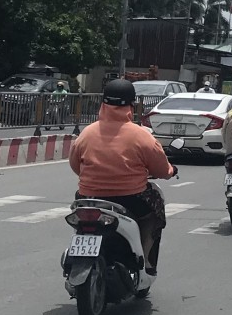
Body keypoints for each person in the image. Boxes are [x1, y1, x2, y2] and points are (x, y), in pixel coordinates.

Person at [68, 77, 177, 277]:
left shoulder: (86, 134)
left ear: (103, 104)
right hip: (130, 200)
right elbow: (162, 170)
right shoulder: (141, 136)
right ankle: (147, 262)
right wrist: (171, 171)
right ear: (131, 106)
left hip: (88, 198)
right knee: (154, 211)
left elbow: (76, 166)